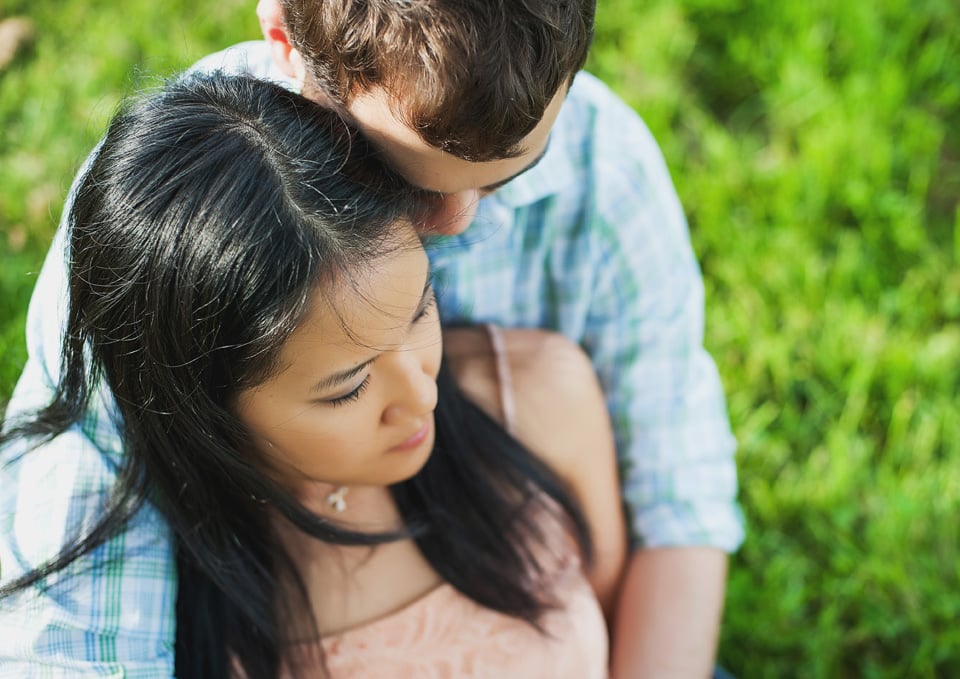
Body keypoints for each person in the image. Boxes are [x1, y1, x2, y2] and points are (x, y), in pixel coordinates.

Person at [4, 0, 744, 675]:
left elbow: (675, 479)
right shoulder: (170, 230)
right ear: (284, 44)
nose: (456, 223)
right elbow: (74, 582)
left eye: (512, 171)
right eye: (396, 176)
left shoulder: (603, 165)